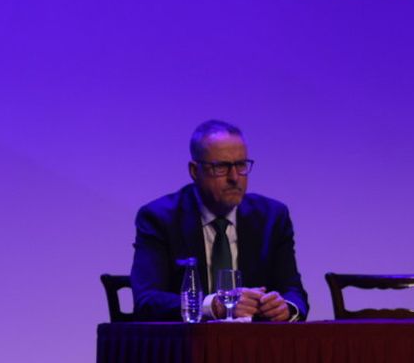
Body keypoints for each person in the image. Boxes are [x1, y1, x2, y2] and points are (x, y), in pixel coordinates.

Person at [130, 120, 308, 321]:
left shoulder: (272, 217)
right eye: (222, 167)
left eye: (241, 165)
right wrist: (213, 306)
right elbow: (147, 300)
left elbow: (294, 292)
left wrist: (285, 308)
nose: (235, 177)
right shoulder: (160, 218)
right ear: (195, 171)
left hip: (255, 345)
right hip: (188, 346)